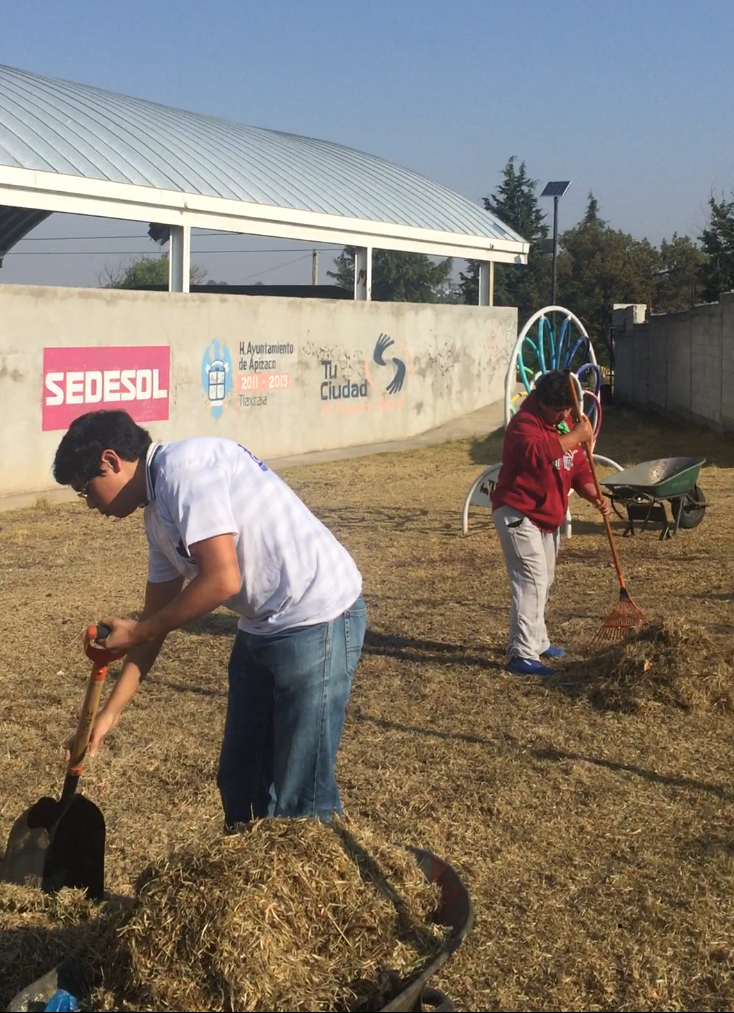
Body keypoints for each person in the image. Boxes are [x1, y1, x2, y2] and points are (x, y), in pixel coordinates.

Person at [53, 410, 366, 827]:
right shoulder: (157, 514)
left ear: (110, 461)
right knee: (241, 780)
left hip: (316, 613)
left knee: (301, 792)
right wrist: (107, 716)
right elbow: (154, 621)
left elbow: (222, 580)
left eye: (85, 489)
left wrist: (140, 630)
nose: (89, 503)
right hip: (262, 624)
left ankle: (325, 885)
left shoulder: (186, 469)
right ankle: (248, 882)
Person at [491, 370, 610, 676]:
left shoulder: (565, 422)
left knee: (544, 579)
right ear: (541, 403)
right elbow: (537, 455)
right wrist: (577, 436)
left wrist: (594, 495)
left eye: (568, 409)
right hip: (518, 512)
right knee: (530, 579)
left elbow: (579, 467)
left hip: (548, 517)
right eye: (560, 409)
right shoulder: (523, 424)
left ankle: (538, 641)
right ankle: (521, 654)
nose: (565, 415)